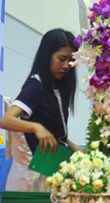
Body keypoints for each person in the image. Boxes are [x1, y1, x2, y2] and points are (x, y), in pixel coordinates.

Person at [0, 28, 82, 191]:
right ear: (47, 56)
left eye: (71, 60)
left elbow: (58, 135)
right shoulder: (36, 87)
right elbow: (5, 120)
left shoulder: (58, 89)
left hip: (51, 168)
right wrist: (36, 128)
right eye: (61, 59)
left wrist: (76, 149)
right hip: (33, 174)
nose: (66, 65)